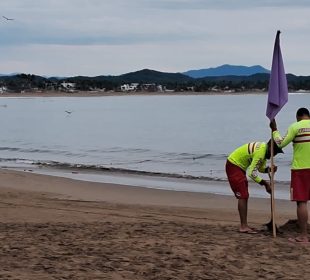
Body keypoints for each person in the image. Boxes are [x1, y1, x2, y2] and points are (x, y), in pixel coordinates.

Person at [270, 107, 310, 243]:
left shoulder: (295, 127)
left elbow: (280, 143)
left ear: (298, 117)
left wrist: (274, 130)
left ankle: (304, 235)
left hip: (301, 169)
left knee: (302, 202)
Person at [226, 140, 283, 234]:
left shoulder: (263, 152)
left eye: (275, 154)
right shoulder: (260, 152)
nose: (273, 156)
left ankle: (244, 225)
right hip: (234, 166)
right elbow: (252, 173)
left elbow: (259, 168)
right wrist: (265, 184)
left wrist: (268, 169)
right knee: (243, 196)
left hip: (239, 168)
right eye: (274, 152)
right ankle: (243, 226)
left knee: (245, 195)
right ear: (270, 148)